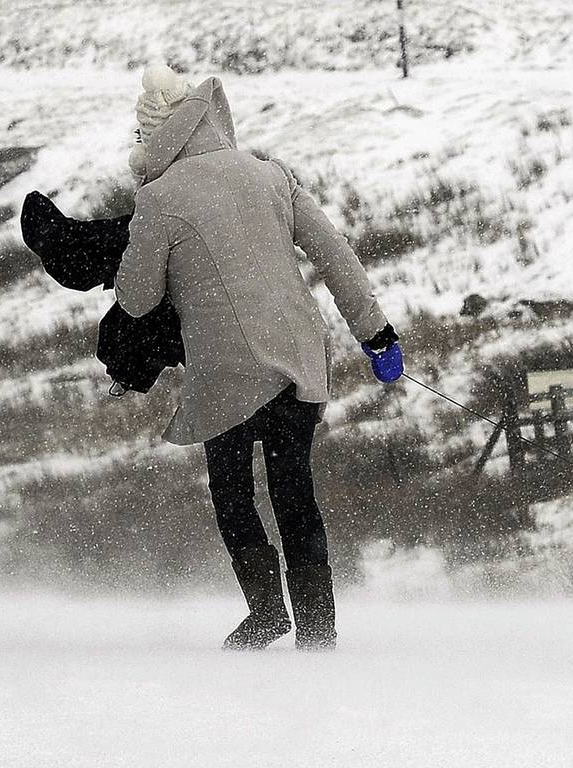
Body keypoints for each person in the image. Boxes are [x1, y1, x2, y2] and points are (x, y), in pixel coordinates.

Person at [115, 65, 404, 651]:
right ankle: (319, 633)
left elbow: (137, 297)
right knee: (294, 490)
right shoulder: (270, 176)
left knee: (233, 494)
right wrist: (377, 335)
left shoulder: (159, 198)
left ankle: (267, 612)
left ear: (151, 138)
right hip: (297, 360)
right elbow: (335, 255)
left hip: (224, 372)